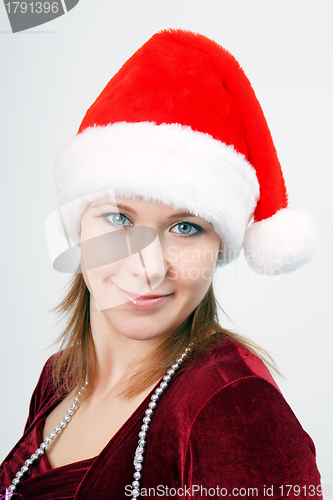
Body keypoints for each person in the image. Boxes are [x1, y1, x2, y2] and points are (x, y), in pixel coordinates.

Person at [0, 29, 322, 500]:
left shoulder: (234, 405)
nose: (148, 268)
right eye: (119, 218)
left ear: (220, 246)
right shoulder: (60, 376)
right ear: (78, 224)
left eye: (186, 227)